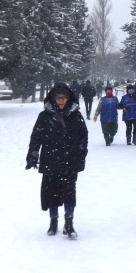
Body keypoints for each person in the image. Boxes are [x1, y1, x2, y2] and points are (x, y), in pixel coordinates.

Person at [25, 83, 88, 239]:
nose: (61, 101)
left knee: (69, 192)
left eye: (63, 98)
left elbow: (83, 137)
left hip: (70, 161)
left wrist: (80, 154)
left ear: (68, 99)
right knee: (51, 192)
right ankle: (53, 221)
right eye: (58, 98)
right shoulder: (44, 116)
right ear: (53, 99)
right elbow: (36, 137)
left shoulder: (75, 116)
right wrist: (33, 155)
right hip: (50, 160)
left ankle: (69, 223)